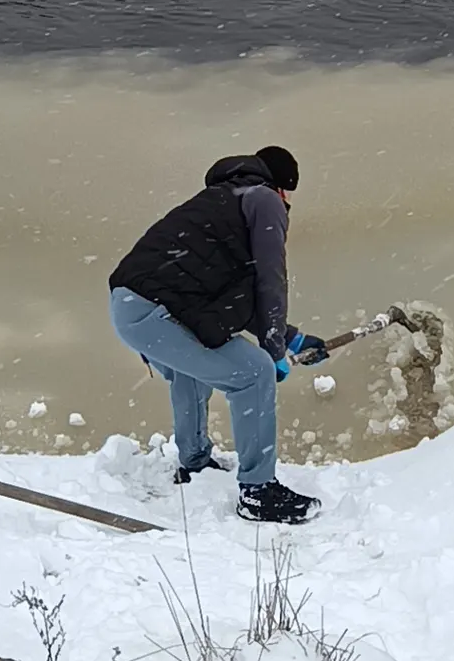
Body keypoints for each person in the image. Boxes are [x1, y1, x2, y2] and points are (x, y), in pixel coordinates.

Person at [108, 146, 328, 524]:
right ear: (281, 186)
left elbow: (221, 302)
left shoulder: (219, 201)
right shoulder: (264, 200)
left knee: (191, 369)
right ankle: (258, 493)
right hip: (156, 312)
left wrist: (290, 338)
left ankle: (193, 462)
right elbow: (269, 282)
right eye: (288, 193)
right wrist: (273, 349)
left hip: (131, 305)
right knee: (255, 373)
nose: (288, 201)